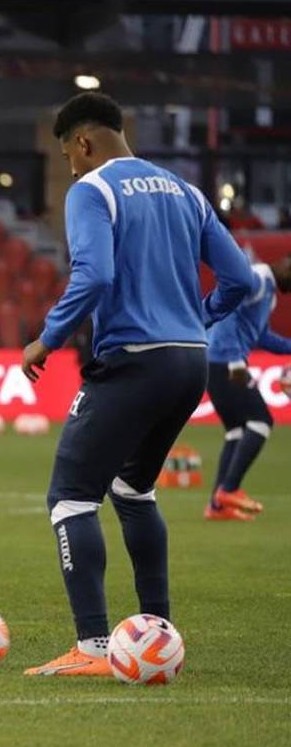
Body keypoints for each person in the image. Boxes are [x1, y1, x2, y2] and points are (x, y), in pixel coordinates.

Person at [20, 92, 252, 677]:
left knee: (71, 497)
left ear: (82, 143)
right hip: (189, 362)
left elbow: (94, 274)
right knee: (131, 490)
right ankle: (157, 633)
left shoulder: (92, 190)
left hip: (132, 360)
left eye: (70, 157)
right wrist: (197, 318)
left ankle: (94, 647)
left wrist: (47, 338)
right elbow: (241, 280)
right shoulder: (187, 192)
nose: (71, 169)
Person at [203, 254, 291, 521]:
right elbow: (228, 314)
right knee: (261, 421)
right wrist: (235, 362)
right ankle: (229, 489)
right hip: (223, 361)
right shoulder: (258, 279)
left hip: (217, 361)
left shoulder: (270, 293)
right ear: (285, 266)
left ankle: (217, 507)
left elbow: (260, 335)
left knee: (237, 431)